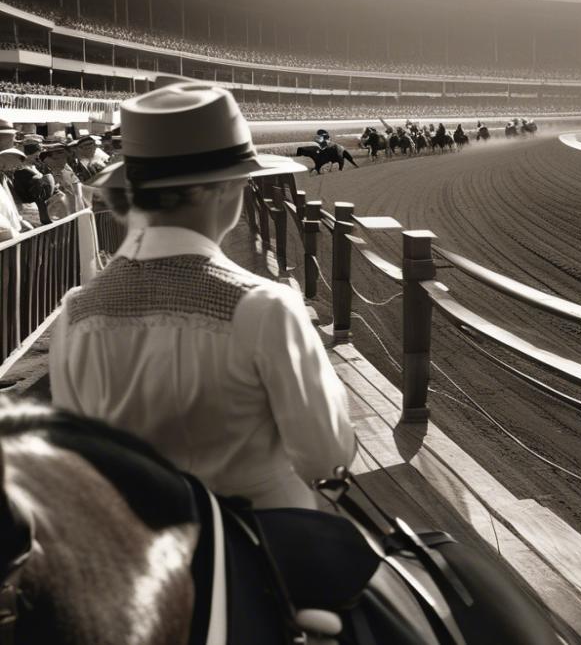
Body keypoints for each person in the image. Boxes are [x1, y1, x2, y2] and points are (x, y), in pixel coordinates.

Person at [48, 81, 356, 510]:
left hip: (140, 554)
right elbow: (327, 457)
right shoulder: (265, 307)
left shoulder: (75, 313)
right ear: (223, 189)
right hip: (263, 544)